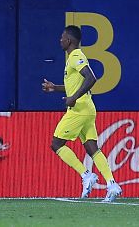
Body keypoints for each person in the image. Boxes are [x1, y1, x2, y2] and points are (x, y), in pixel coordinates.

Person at [42, 25, 122, 202]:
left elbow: (91, 77)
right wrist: (55, 88)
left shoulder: (75, 56)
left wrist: (74, 98)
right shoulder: (73, 57)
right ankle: (111, 184)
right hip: (88, 108)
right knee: (92, 148)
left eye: (62, 37)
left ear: (69, 40)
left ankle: (86, 175)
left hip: (79, 109)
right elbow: (75, 84)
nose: (60, 40)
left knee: (56, 144)